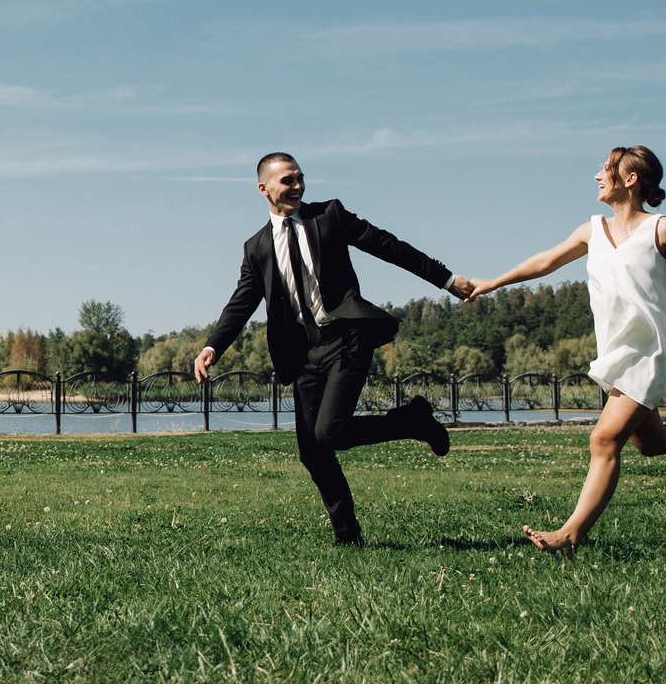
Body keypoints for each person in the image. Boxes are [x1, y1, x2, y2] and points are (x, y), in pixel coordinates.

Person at [464, 144, 666, 554]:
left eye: (605, 169)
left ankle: (569, 536)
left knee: (604, 439)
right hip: (615, 351)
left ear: (631, 179)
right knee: (651, 442)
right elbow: (545, 262)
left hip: (650, 348)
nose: (597, 176)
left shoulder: (663, 229)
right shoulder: (593, 229)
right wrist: (491, 282)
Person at [194, 153, 471, 547]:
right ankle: (348, 538)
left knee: (332, 432)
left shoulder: (330, 216)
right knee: (313, 451)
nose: (297, 187)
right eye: (287, 181)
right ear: (264, 188)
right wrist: (212, 347)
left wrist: (446, 279)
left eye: (300, 179)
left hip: (347, 338)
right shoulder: (256, 247)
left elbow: (389, 246)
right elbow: (242, 301)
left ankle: (413, 422)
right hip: (304, 354)